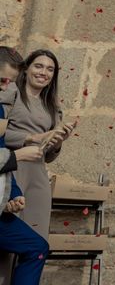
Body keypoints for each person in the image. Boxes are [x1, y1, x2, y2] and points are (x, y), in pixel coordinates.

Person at [1, 49, 74, 240]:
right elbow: (1, 135)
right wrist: (33, 137)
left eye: (50, 69)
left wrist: (58, 142)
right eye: (39, 66)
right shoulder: (10, 92)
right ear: (26, 69)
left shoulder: (53, 107)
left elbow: (48, 156)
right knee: (9, 240)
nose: (44, 72)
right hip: (11, 169)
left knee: (37, 234)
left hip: (38, 174)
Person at [0, 46, 49, 285]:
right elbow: (8, 150)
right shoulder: (10, 101)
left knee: (37, 246)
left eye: (8, 81)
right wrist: (23, 147)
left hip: (25, 178)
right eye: (1, 80)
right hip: (19, 163)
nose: (4, 86)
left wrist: (14, 194)